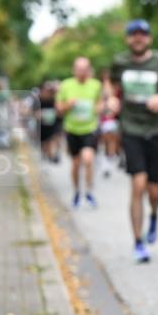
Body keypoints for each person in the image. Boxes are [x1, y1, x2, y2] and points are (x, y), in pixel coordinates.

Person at [110, 19, 158, 264]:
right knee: (138, 183)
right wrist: (111, 99)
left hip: (157, 130)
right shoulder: (120, 62)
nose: (138, 38)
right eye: (134, 34)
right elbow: (109, 84)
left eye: (143, 34)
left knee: (154, 190)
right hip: (131, 128)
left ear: (149, 39)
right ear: (127, 39)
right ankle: (138, 241)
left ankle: (154, 215)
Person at [56, 57, 105, 209]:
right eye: (79, 68)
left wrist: (99, 108)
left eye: (85, 68)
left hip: (89, 129)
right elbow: (58, 108)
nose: (82, 72)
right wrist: (67, 105)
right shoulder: (66, 85)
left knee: (88, 159)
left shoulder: (96, 85)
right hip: (72, 129)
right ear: (74, 70)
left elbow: (100, 102)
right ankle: (77, 191)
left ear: (89, 70)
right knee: (76, 163)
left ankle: (89, 191)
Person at [98, 67, 122, 177]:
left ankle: (110, 160)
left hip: (115, 117)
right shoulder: (100, 87)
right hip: (105, 117)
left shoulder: (118, 86)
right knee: (107, 140)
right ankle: (107, 160)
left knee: (113, 140)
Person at [38, 81, 61, 163]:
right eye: (45, 90)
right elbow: (30, 111)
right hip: (41, 125)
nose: (47, 92)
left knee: (52, 139)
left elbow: (60, 111)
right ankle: (45, 155)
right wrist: (37, 114)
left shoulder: (54, 100)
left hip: (53, 124)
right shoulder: (38, 100)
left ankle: (53, 155)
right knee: (43, 143)